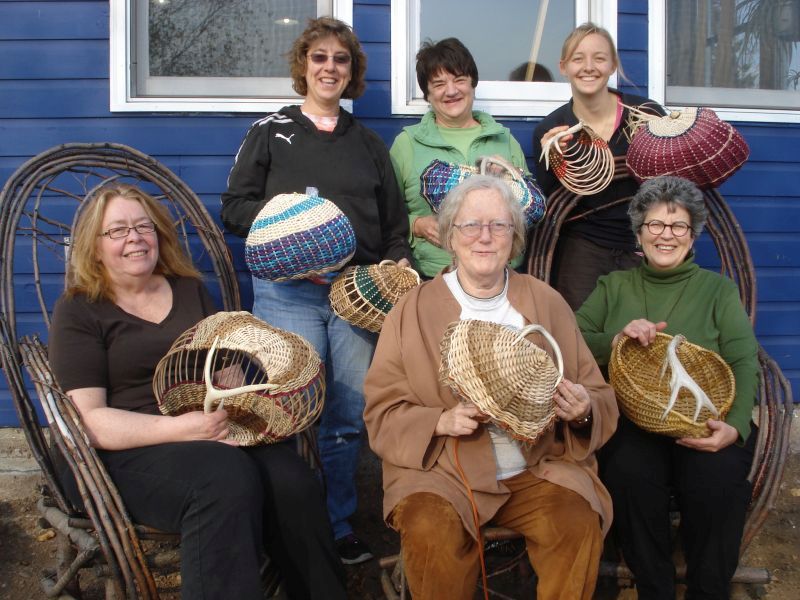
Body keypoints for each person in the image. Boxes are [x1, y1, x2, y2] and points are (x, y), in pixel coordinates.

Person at [48, 184, 346, 599]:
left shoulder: (188, 290)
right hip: (118, 454)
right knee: (223, 479)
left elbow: (222, 371)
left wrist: (237, 390)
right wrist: (182, 430)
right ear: (93, 247)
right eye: (117, 230)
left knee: (292, 480)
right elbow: (90, 422)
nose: (134, 237)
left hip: (208, 430)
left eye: (142, 226)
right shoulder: (79, 310)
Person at [363, 175, 619, 600]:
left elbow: (598, 393)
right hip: (442, 472)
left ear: (514, 237)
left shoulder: (545, 302)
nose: (485, 237)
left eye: (499, 226)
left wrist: (582, 411)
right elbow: (381, 409)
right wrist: (440, 421)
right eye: (470, 225)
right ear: (449, 235)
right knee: (430, 532)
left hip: (535, 468)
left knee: (575, 522)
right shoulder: (413, 309)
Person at [220, 17, 412, 564]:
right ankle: (286, 529)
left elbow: (394, 231)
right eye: (320, 57)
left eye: (341, 60)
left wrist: (389, 271)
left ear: (352, 72)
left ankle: (337, 525)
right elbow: (234, 209)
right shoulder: (270, 133)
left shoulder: (369, 145)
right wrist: (294, 230)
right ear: (303, 66)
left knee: (347, 416)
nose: (330, 68)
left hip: (352, 300)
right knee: (286, 406)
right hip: (287, 293)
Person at [576, 176, 759, 599]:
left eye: (678, 226)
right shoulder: (613, 286)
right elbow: (575, 337)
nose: (666, 235)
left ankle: (707, 591)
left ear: (693, 236)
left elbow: (744, 359)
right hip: (633, 423)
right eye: (655, 225)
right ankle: (654, 588)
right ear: (639, 233)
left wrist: (734, 426)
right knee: (626, 475)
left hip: (705, 422)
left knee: (719, 484)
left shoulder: (717, 290)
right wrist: (618, 337)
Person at [533, 22, 665, 310]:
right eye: (578, 58)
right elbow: (549, 207)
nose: (588, 67)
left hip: (640, 241)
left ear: (613, 65)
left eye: (600, 58)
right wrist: (555, 157)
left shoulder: (645, 116)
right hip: (582, 248)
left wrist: (655, 240)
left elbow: (671, 184)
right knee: (582, 335)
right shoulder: (552, 129)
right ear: (563, 66)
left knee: (645, 334)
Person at [391, 37, 532, 279]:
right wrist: (416, 225)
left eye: (459, 80)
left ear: (472, 83)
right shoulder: (407, 144)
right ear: (427, 93)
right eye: (438, 84)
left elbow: (531, 210)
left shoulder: (504, 140)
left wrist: (512, 184)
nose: (452, 91)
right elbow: (387, 214)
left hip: (502, 277)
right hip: (433, 277)